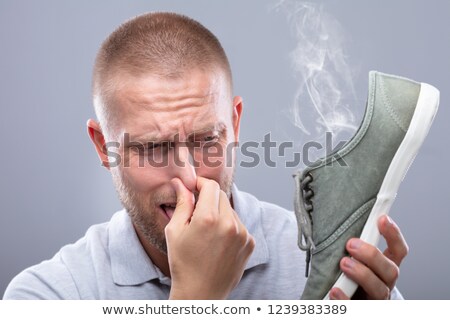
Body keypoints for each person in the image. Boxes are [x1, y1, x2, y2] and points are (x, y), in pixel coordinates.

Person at [3, 12, 407, 300]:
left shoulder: (322, 260)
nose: (190, 177)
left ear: (234, 124)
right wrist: (198, 297)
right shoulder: (49, 295)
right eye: (153, 147)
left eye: (205, 140)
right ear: (101, 146)